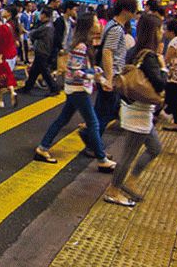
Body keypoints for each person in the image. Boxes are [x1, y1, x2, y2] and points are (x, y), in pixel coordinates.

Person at [34, 12, 117, 171]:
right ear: (88, 25)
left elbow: (84, 68)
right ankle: (101, 158)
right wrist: (94, 75)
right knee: (92, 123)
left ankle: (42, 148)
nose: (99, 24)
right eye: (95, 21)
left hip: (76, 89)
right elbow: (74, 70)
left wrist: (97, 74)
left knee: (63, 119)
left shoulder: (84, 44)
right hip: (78, 89)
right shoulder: (81, 46)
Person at [104, 13, 166, 207]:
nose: (162, 32)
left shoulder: (134, 51)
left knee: (155, 148)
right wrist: (163, 66)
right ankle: (114, 190)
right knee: (128, 155)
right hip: (139, 113)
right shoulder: (151, 57)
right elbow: (161, 84)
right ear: (154, 32)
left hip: (136, 109)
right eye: (160, 29)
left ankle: (130, 182)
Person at [87, 0, 138, 148]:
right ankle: (92, 145)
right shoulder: (116, 29)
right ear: (125, 10)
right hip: (112, 75)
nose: (136, 13)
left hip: (110, 74)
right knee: (105, 113)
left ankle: (91, 140)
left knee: (102, 111)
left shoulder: (112, 25)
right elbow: (108, 52)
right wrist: (109, 79)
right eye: (134, 9)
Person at [21, 7, 59, 95]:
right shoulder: (49, 25)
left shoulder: (46, 27)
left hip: (42, 51)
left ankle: (54, 88)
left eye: (41, 14)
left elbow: (33, 34)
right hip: (43, 50)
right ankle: (27, 87)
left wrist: (26, 31)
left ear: (44, 15)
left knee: (44, 72)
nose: (39, 16)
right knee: (34, 71)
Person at [0, 4, 20, 108]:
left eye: (4, 10)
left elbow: (1, 43)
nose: (2, 11)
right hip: (11, 54)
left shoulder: (4, 28)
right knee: (6, 76)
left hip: (2, 56)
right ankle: (12, 92)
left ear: (9, 13)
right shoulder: (12, 25)